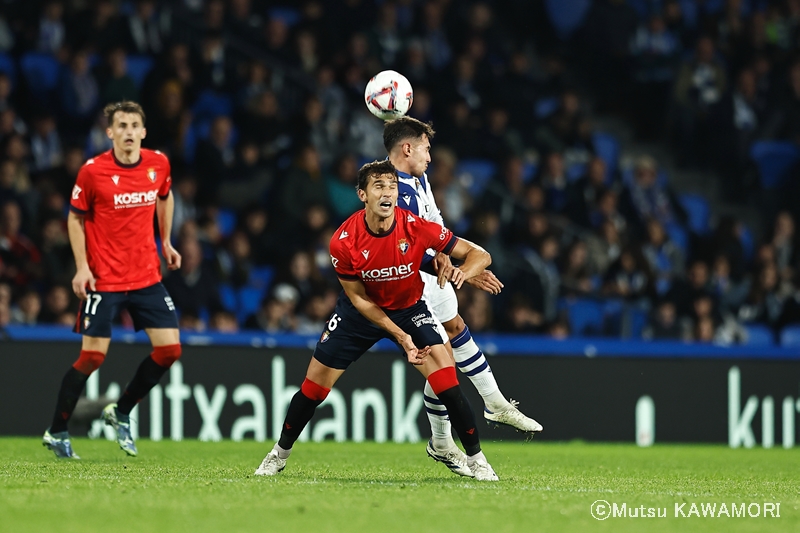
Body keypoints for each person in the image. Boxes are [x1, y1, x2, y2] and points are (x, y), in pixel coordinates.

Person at [254, 161, 499, 481]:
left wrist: (461, 271)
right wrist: (403, 338)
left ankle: (478, 460)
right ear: (362, 195)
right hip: (359, 314)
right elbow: (359, 299)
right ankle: (278, 454)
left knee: (448, 383)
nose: (387, 192)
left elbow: (480, 254)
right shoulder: (343, 241)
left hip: (409, 308)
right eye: (379, 186)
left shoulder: (416, 227)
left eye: (392, 186)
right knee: (313, 390)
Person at [383, 116, 542, 477]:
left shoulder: (419, 179)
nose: (430, 156)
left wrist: (460, 262)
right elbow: (401, 249)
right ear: (407, 148)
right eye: (426, 148)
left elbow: (435, 227)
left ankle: (485, 410)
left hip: (430, 276)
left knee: (455, 330)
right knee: (442, 360)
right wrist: (456, 271)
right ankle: (464, 429)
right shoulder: (392, 190)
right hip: (404, 283)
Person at [42, 101, 182, 459]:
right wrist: (82, 266)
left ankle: (120, 412)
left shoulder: (158, 163)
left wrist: (165, 240)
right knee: (92, 357)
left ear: (144, 132)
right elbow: (74, 219)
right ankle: (57, 430)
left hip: (146, 275)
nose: (129, 132)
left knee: (169, 350)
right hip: (104, 279)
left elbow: (165, 197)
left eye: (135, 125)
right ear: (110, 133)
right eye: (121, 126)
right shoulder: (92, 172)